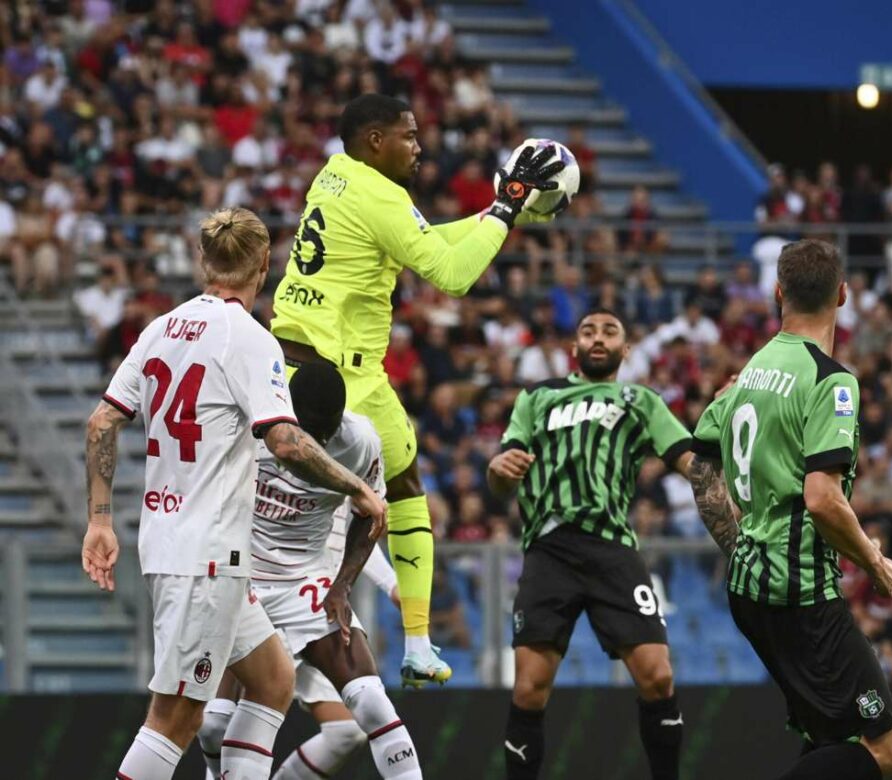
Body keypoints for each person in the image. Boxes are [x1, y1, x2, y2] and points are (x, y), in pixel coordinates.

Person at [269, 93, 565, 685]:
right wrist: (506, 209)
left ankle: (399, 638)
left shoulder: (337, 174)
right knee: (374, 496)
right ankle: (402, 637)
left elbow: (420, 239)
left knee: (394, 486)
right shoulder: (382, 195)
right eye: (407, 135)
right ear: (375, 140)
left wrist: (496, 217)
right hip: (339, 376)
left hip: (296, 361)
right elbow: (452, 276)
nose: (419, 146)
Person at [81, 208, 386, 780]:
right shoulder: (250, 338)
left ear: (203, 261)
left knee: (273, 679)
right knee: (175, 718)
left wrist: (99, 519)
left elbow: (101, 423)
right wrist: (358, 490)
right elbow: (287, 441)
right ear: (266, 265)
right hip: (207, 555)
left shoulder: (160, 328)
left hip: (184, 545)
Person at [689, 239, 892, 779]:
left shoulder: (751, 372)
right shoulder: (830, 379)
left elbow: (701, 464)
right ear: (844, 295)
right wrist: (874, 562)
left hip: (750, 587)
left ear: (778, 293)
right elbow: (822, 499)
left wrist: (739, 546)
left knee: (828, 732)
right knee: (883, 747)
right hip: (800, 592)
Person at [487, 308, 693, 780]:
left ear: (626, 349)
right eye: (587, 331)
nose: (597, 338)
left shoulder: (640, 399)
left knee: (658, 676)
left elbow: (687, 460)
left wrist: (716, 437)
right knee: (529, 688)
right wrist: (496, 471)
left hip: (612, 548)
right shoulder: (538, 397)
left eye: (609, 331)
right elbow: (503, 475)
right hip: (549, 548)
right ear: (573, 348)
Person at [197, 363, 420, 780]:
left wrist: (341, 586)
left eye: (327, 430)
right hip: (242, 580)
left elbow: (368, 517)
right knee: (212, 725)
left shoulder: (361, 442)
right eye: (309, 428)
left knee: (369, 706)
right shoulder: (247, 426)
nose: (318, 440)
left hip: (306, 581)